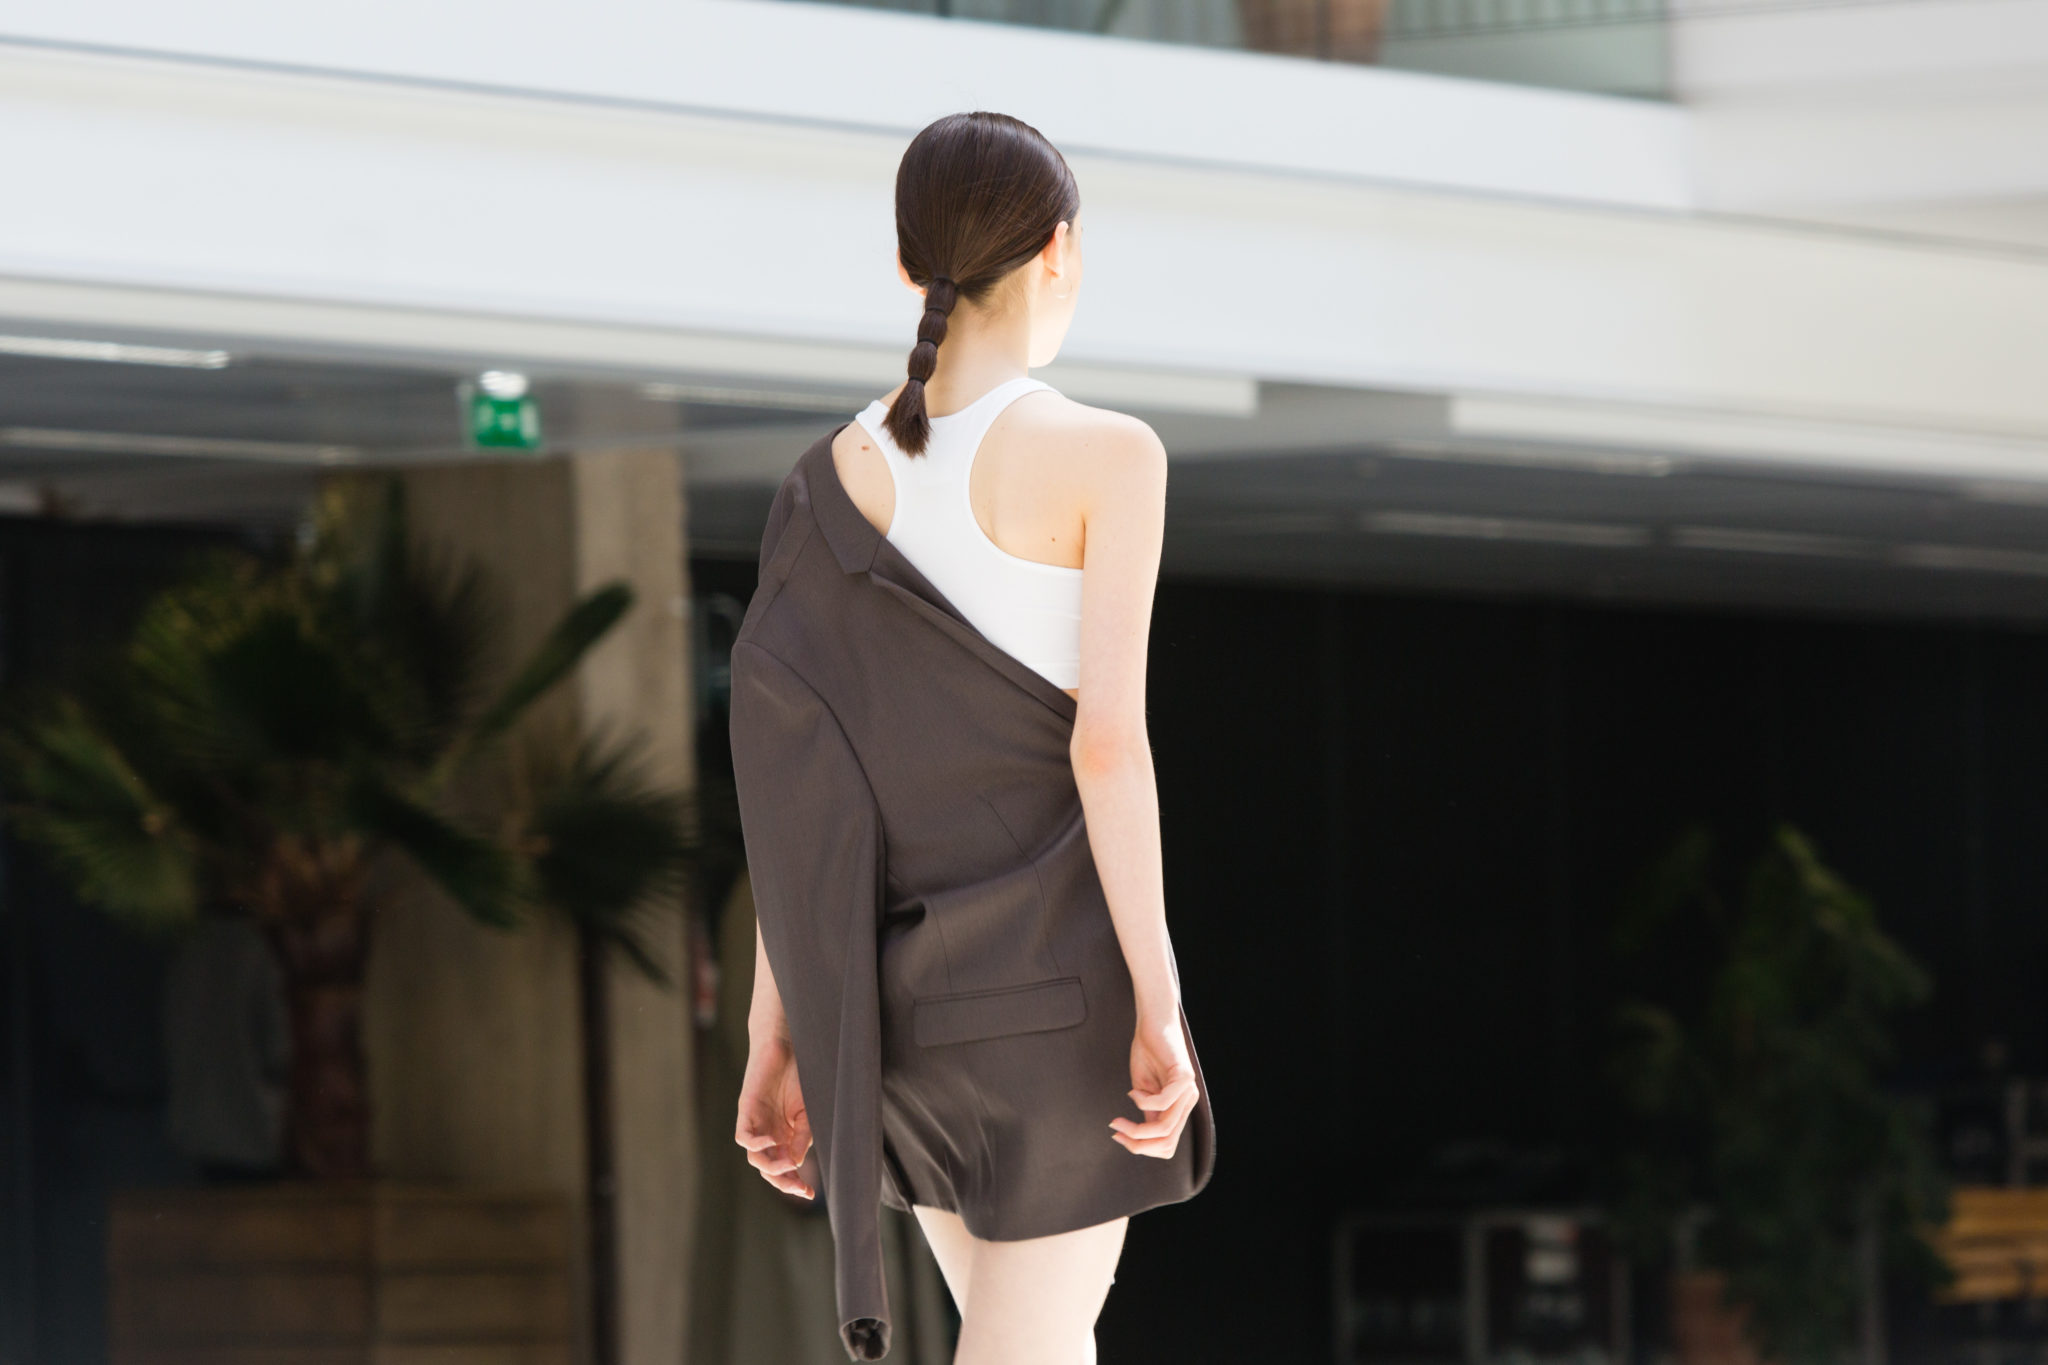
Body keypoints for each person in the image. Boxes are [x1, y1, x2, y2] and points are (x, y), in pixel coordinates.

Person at [727, 110, 1216, 1365]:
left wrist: (777, 1027)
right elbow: (1107, 750)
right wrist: (1159, 1002)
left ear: (908, 267)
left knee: (1047, 1344)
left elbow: (798, 801)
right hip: (1054, 1011)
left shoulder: (817, 488)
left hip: (901, 1025)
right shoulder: (1109, 457)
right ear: (1059, 251)